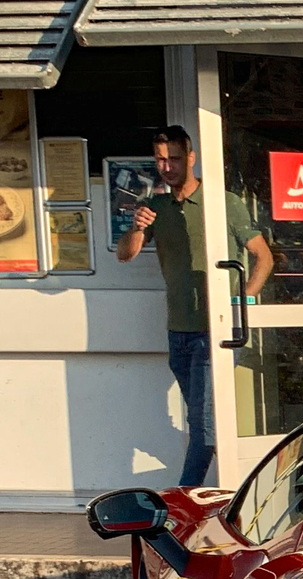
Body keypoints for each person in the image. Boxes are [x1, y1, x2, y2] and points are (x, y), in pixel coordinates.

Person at [116, 125, 272, 487]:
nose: (166, 166)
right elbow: (126, 255)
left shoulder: (223, 203)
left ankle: (184, 496)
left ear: (190, 158)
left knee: (203, 421)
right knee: (205, 420)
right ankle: (248, 486)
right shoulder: (154, 206)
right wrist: (136, 227)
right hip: (179, 330)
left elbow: (263, 257)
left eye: (173, 158)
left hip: (216, 330)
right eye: (159, 159)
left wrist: (241, 303)